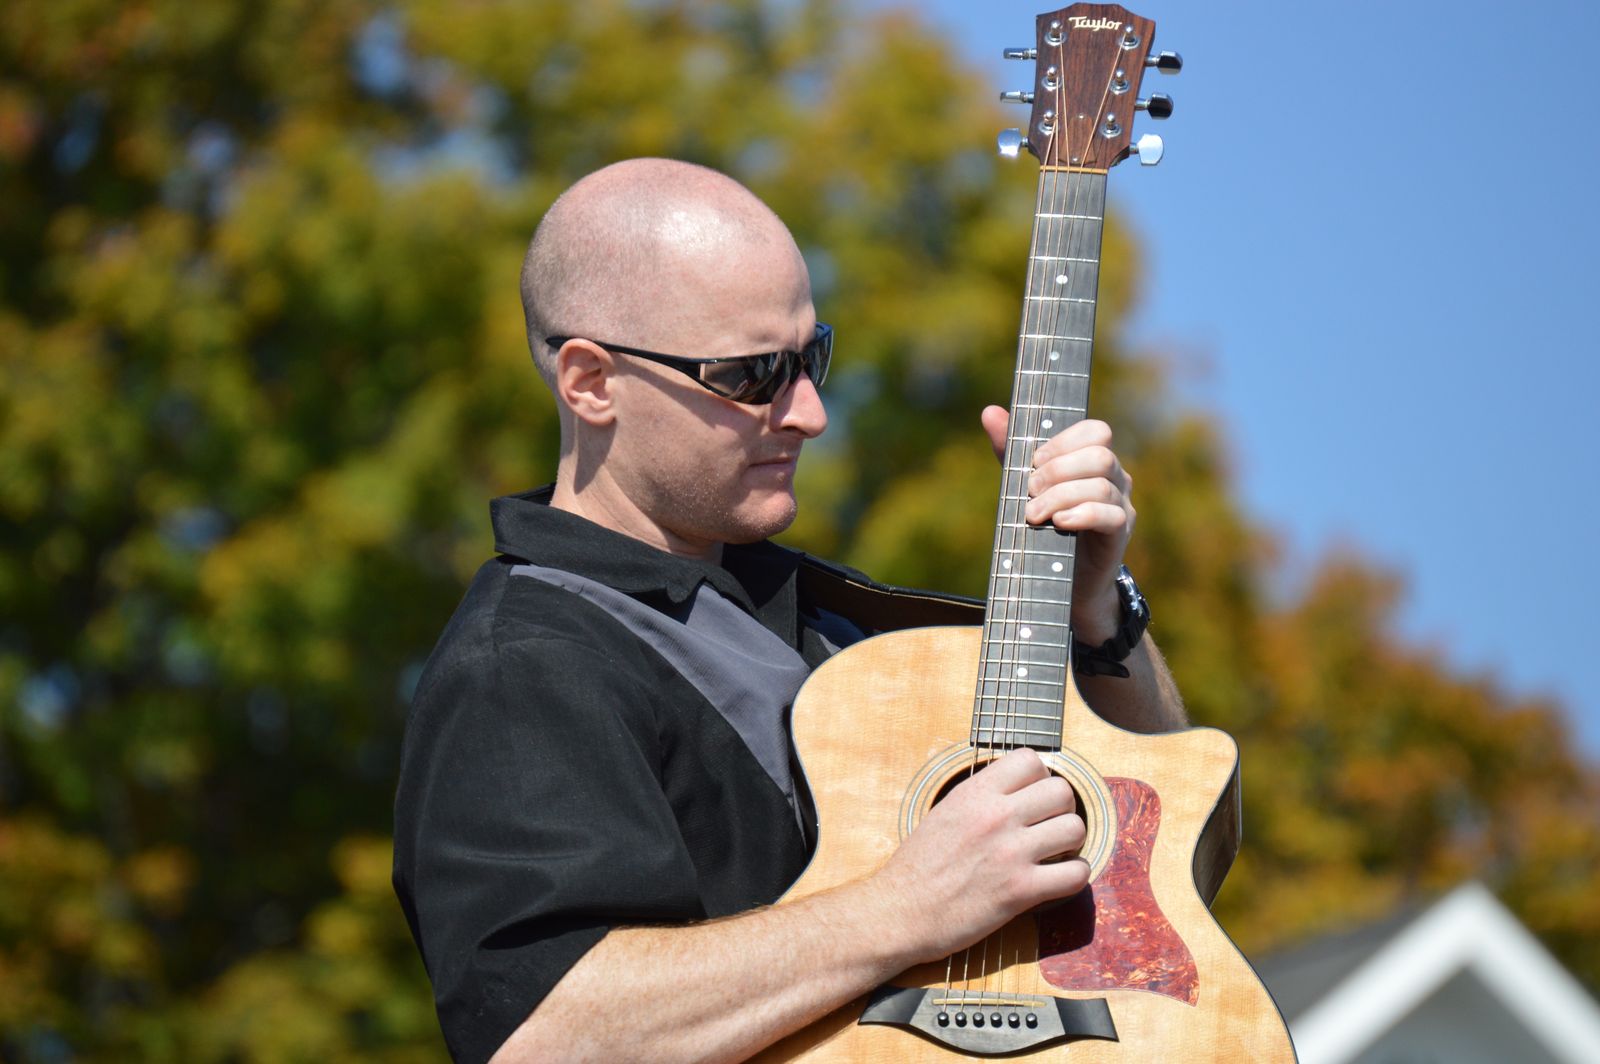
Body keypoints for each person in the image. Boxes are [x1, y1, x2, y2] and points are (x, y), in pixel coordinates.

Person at [392, 158, 1187, 1064]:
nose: (808, 413)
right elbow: (542, 1035)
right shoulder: (523, 659)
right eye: (751, 374)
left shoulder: (837, 622)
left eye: (811, 359)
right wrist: (904, 907)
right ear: (590, 382)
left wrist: (1098, 613)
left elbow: (1170, 850)